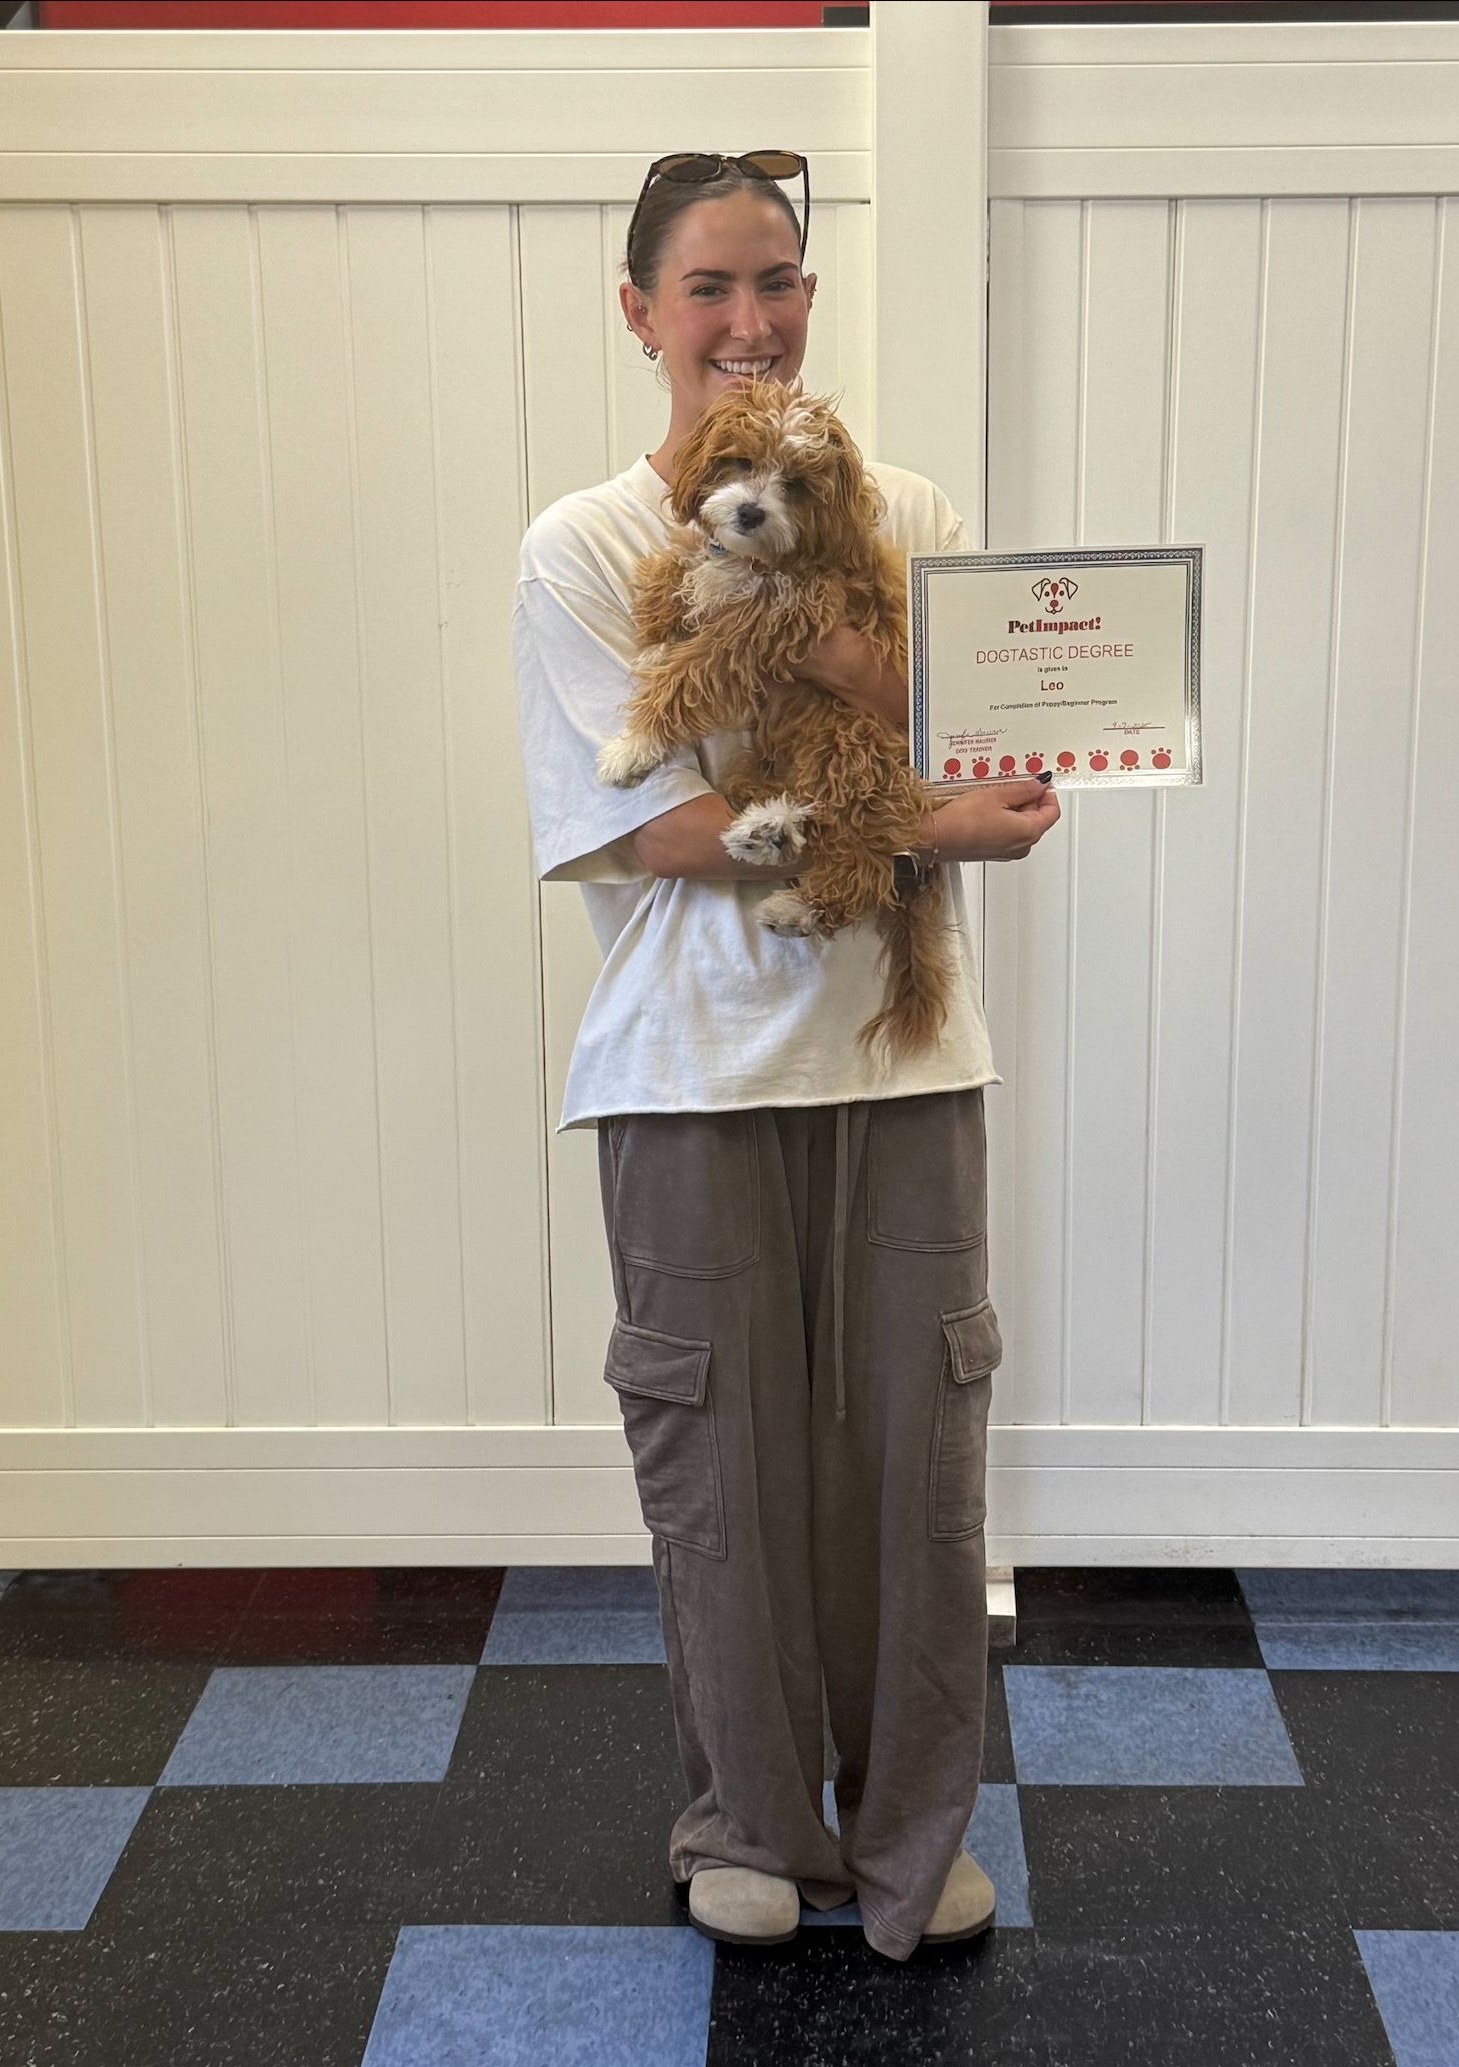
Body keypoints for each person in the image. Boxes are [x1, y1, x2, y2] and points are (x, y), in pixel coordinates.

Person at [510, 149, 1060, 1960]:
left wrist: (957, 768)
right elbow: (651, 829)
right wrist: (918, 806)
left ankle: (908, 1841)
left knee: (919, 1470)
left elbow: (974, 723)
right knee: (724, 1466)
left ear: (811, 295)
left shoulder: (902, 503)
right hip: (685, 1070)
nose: (751, 323)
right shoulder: (585, 547)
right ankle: (747, 1823)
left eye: (782, 284)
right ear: (642, 312)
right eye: (712, 291)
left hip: (904, 1055)